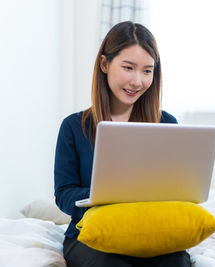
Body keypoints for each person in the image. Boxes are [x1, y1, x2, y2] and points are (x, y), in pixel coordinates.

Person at [54, 21, 191, 267]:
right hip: (91, 235)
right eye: (128, 67)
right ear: (105, 64)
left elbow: (176, 188)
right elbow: (64, 195)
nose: (137, 81)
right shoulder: (74, 127)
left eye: (147, 71)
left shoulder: (166, 123)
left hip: (150, 230)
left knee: (176, 262)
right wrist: (105, 195)